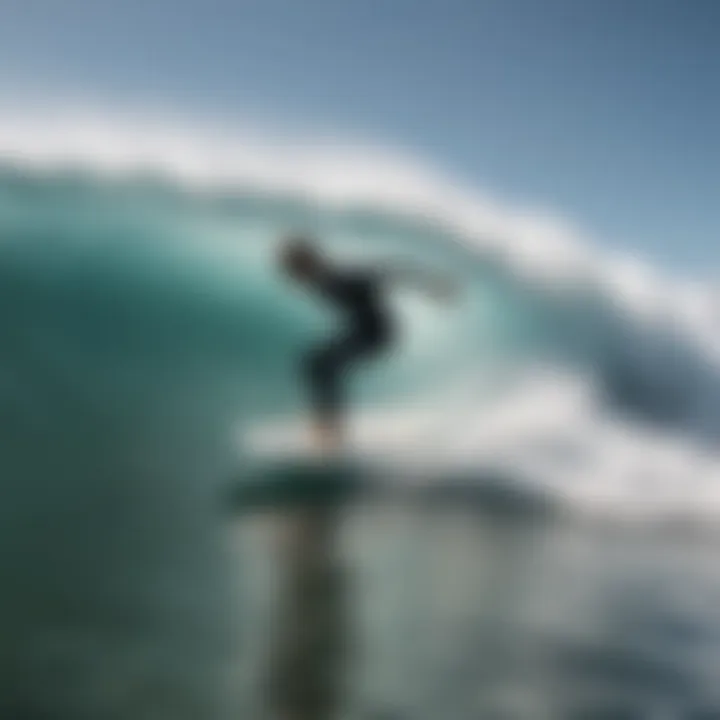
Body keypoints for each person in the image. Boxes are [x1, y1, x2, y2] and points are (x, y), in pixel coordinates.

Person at [279, 234, 454, 452]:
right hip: (361, 331)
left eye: (294, 269)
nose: (293, 276)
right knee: (316, 365)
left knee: (320, 366)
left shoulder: (341, 276)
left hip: (378, 333)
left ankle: (331, 431)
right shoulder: (323, 280)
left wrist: (433, 285)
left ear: (307, 263)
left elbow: (391, 272)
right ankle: (329, 427)